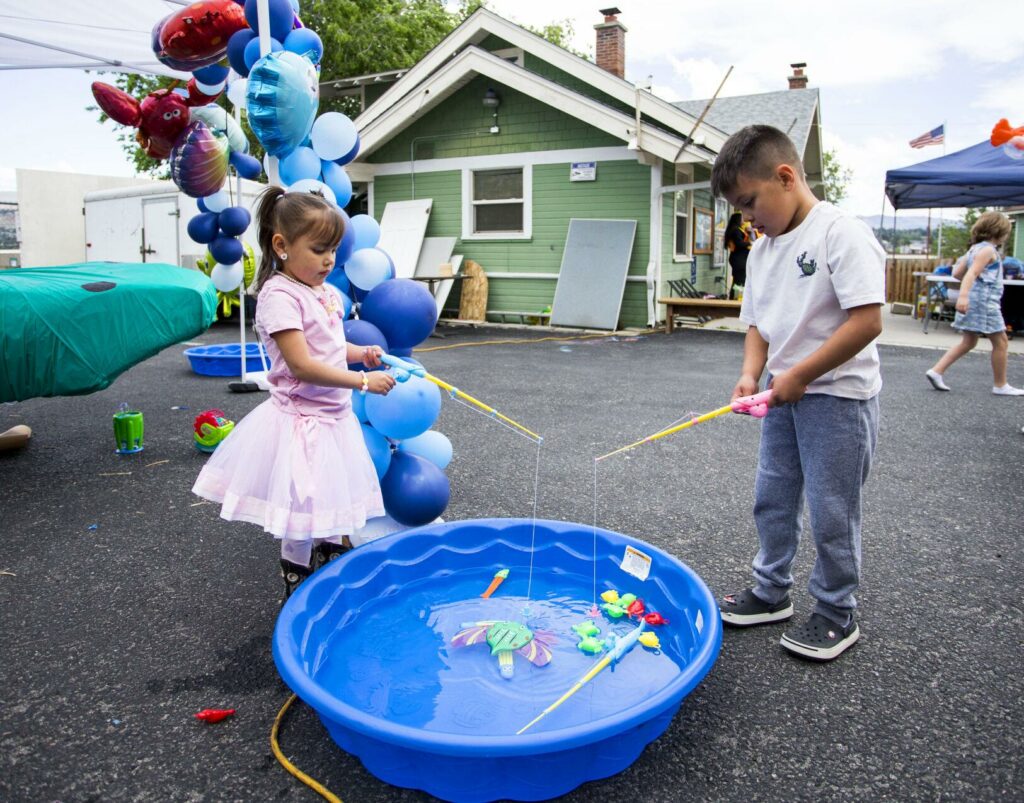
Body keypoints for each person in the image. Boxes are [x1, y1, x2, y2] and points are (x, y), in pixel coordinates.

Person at [709, 124, 885, 662]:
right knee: (774, 495)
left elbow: (868, 320)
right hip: (785, 397)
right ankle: (770, 590)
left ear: (785, 177)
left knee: (833, 508)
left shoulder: (840, 233)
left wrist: (803, 375)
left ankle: (836, 611)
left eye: (749, 202)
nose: (746, 219)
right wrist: (750, 373)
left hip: (838, 398)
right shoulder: (762, 252)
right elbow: (758, 324)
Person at [193, 186, 396, 599]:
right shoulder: (279, 296)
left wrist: (362, 354)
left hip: (334, 421)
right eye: (319, 249)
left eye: (334, 250)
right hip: (302, 424)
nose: (329, 260)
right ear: (282, 246)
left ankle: (335, 582)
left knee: (333, 506)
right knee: (300, 516)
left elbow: (330, 346)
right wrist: (361, 382)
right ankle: (298, 595)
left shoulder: (322, 293)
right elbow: (302, 365)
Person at [925, 212, 1024, 395]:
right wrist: (964, 296)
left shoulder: (974, 249)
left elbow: (957, 273)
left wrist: (969, 292)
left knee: (969, 341)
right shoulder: (988, 250)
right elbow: (971, 274)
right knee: (1001, 341)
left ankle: (937, 371)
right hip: (984, 303)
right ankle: (1000, 385)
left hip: (975, 301)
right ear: (1000, 232)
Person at [724, 212, 752, 298]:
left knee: (737, 279)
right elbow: (739, 243)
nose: (744, 220)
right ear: (738, 220)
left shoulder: (737, 229)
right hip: (739, 259)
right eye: (742, 218)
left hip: (738, 258)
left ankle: (734, 297)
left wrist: (749, 233)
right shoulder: (735, 230)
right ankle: (736, 298)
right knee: (740, 280)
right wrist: (750, 243)